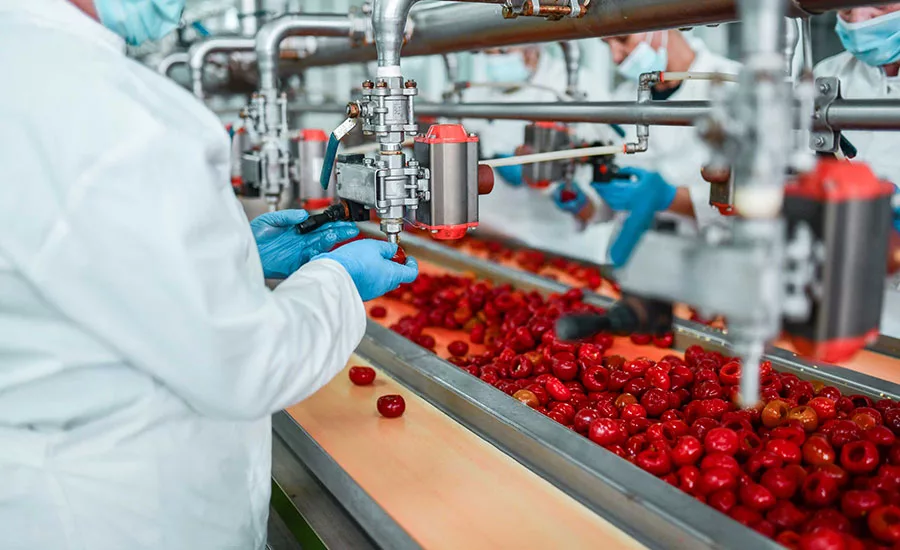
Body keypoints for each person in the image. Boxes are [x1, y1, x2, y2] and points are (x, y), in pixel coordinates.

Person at [0, 2, 418, 549]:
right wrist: (336, 280)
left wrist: (240, 255)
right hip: (121, 513)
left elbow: (78, 260)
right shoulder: (105, 107)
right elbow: (245, 365)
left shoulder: (26, 65)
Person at [553, 31, 740, 264]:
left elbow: (759, 202)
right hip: (634, 261)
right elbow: (609, 209)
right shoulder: (622, 99)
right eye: (606, 44)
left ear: (662, 24)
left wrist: (671, 198)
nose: (615, 57)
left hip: (709, 263)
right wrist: (584, 204)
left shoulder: (735, 86)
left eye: (622, 39)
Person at [463, 45, 618, 262]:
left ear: (531, 44)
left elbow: (608, 173)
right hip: (489, 238)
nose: (495, 60)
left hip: (559, 247)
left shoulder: (573, 85)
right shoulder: (476, 92)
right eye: (488, 52)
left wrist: (575, 199)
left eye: (503, 51)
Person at [815, 4, 900, 338]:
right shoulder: (828, 76)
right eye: (847, 6)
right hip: (840, 308)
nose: (859, 20)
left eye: (879, 2)